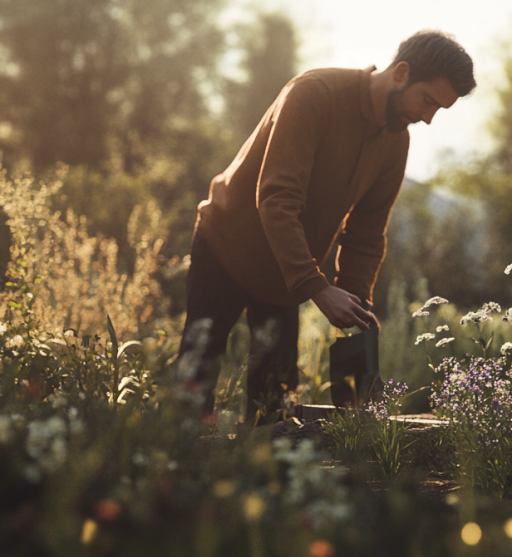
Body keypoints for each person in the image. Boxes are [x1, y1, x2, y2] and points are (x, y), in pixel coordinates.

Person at [176, 30, 475, 422]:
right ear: (401, 73)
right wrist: (317, 288)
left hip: (285, 273)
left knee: (275, 406)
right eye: (428, 101)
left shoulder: (395, 142)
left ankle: (262, 479)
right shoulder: (314, 93)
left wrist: (355, 312)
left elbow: (366, 235)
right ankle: (176, 473)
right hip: (227, 246)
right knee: (195, 381)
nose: (428, 117)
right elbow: (277, 199)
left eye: (440, 110)